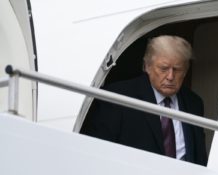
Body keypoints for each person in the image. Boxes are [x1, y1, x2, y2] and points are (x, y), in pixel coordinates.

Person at [80, 35, 207, 166]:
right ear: (147, 66)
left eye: (177, 69)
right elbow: (97, 154)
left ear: (186, 71)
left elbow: (199, 157)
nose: (170, 76)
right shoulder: (117, 97)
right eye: (163, 68)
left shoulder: (194, 103)